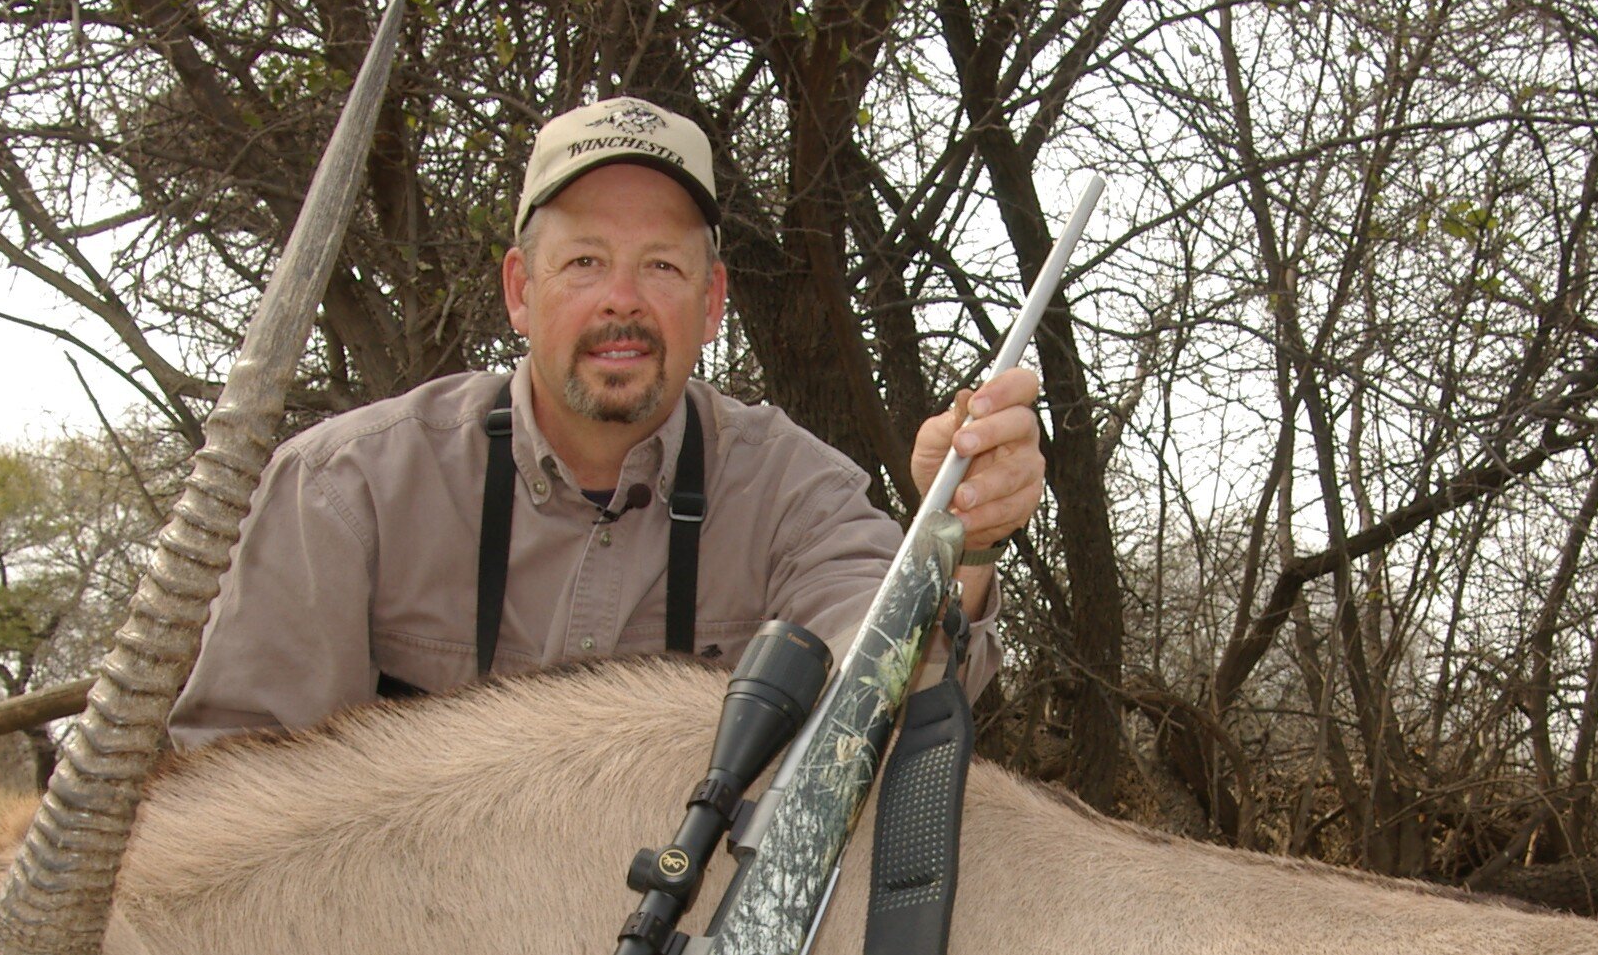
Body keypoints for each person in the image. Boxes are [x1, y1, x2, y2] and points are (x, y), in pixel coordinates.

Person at [172, 96, 1047, 744]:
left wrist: (957, 543)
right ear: (521, 290)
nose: (621, 302)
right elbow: (237, 786)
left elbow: (882, 697)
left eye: (662, 266)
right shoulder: (342, 487)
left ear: (711, 303)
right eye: (585, 261)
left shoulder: (794, 489)